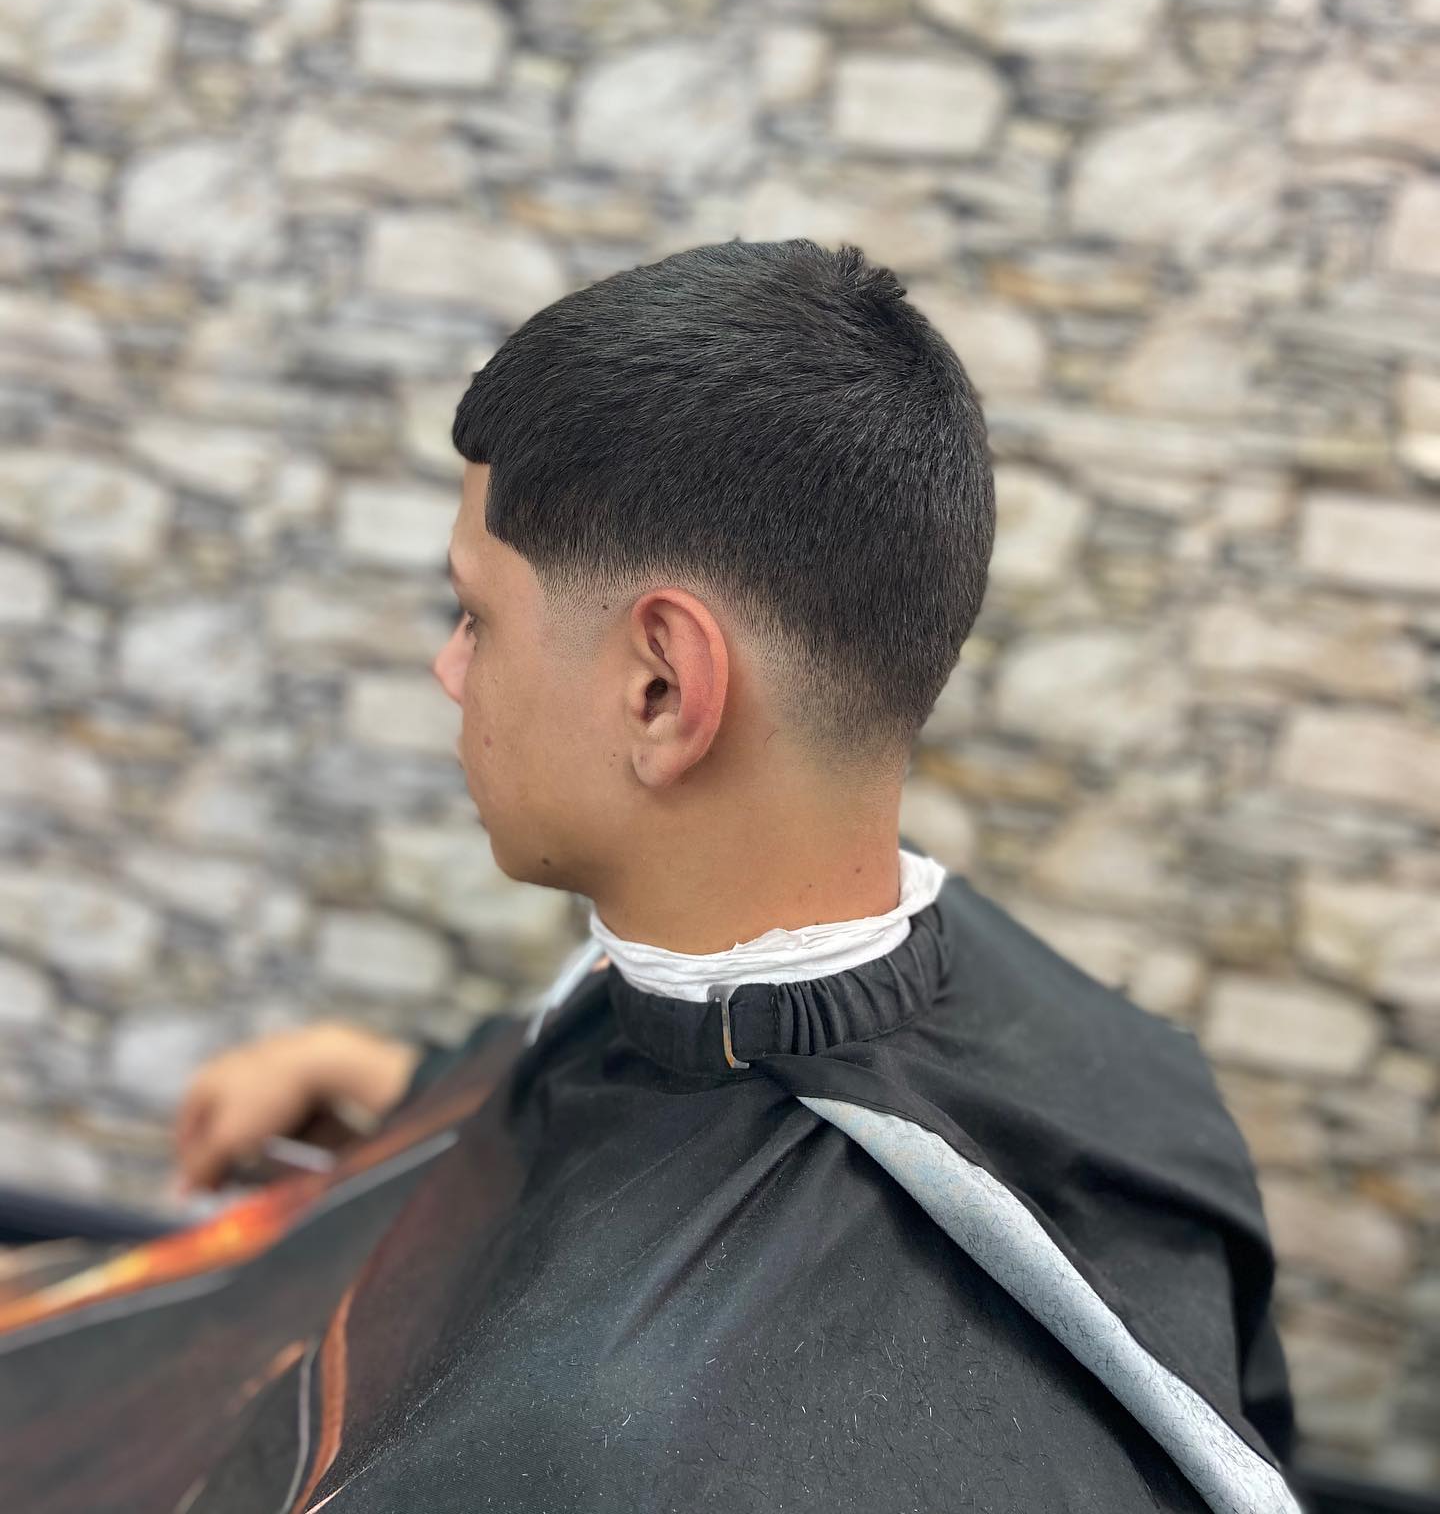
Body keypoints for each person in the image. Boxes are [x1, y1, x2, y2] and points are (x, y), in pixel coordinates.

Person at [53, 238, 1300, 1512]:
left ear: (661, 689)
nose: (449, 670)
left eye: (477, 616)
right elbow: (649, 1117)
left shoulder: (613, 1462)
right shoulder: (1130, 1077)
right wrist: (403, 1094)